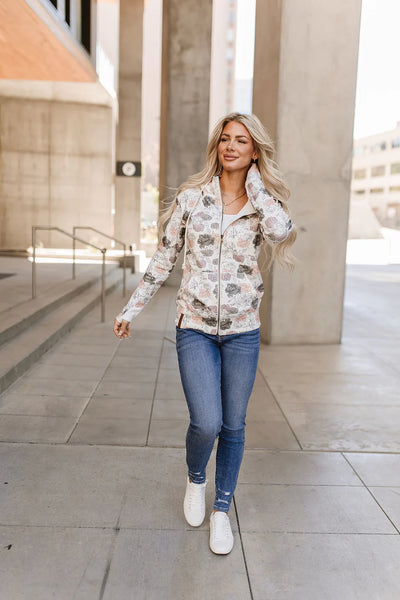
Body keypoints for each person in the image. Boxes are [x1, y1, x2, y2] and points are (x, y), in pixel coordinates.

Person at [113, 112, 296, 555]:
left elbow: (281, 233)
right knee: (207, 422)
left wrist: (255, 186)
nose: (231, 146)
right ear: (217, 145)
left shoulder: (263, 203)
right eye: (226, 139)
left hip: (243, 331)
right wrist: (131, 309)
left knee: (233, 425)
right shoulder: (192, 198)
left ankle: (221, 510)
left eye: (242, 141)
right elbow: (164, 258)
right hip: (194, 327)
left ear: (255, 151)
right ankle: (196, 479)